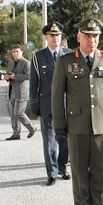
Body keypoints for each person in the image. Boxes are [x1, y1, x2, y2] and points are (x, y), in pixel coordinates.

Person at [51, 17, 103, 205]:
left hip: (101, 123)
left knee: (99, 170)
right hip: (77, 124)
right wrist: (59, 122)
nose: (92, 40)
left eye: (96, 36)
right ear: (79, 37)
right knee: (80, 170)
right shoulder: (65, 61)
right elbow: (57, 95)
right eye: (88, 36)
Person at [30, 22, 71, 186]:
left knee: (66, 140)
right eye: (52, 35)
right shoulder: (38, 57)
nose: (55, 38)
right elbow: (34, 83)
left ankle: (63, 167)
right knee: (49, 141)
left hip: (67, 105)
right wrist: (34, 104)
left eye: (58, 35)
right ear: (46, 37)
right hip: (47, 105)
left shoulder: (69, 55)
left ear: (61, 37)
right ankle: (52, 172)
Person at [5, 44, 37, 141]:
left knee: (19, 113)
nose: (15, 54)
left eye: (17, 52)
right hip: (12, 91)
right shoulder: (12, 63)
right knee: (13, 113)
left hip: (22, 92)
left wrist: (15, 76)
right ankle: (16, 133)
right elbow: (8, 74)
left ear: (21, 52)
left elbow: (28, 76)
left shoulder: (26, 63)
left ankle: (32, 128)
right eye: (13, 52)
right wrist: (7, 77)